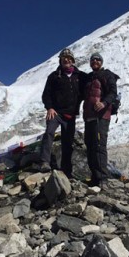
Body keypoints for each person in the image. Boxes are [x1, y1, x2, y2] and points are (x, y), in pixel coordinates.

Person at [38, 48, 85, 176]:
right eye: (64, 58)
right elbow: (46, 95)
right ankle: (44, 162)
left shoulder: (80, 76)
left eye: (69, 58)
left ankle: (66, 170)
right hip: (56, 112)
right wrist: (50, 108)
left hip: (70, 115)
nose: (66, 60)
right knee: (49, 133)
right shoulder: (54, 76)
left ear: (73, 61)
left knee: (67, 142)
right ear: (60, 60)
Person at [83, 52, 119, 189]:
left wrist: (104, 103)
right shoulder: (88, 78)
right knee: (90, 146)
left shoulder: (107, 75)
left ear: (101, 62)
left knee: (99, 146)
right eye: (93, 60)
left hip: (102, 116)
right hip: (89, 117)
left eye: (98, 60)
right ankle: (95, 177)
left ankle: (103, 178)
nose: (95, 62)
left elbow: (113, 92)